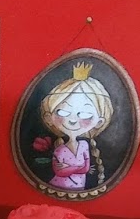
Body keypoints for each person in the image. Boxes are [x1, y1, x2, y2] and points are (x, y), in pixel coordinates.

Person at [39, 63, 114, 192]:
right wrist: (79, 167)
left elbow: (85, 169)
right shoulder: (59, 150)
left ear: (99, 122)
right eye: (63, 112)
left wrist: (70, 167)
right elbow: (61, 172)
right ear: (48, 118)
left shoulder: (84, 145)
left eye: (85, 114)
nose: (72, 120)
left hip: (80, 187)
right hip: (59, 185)